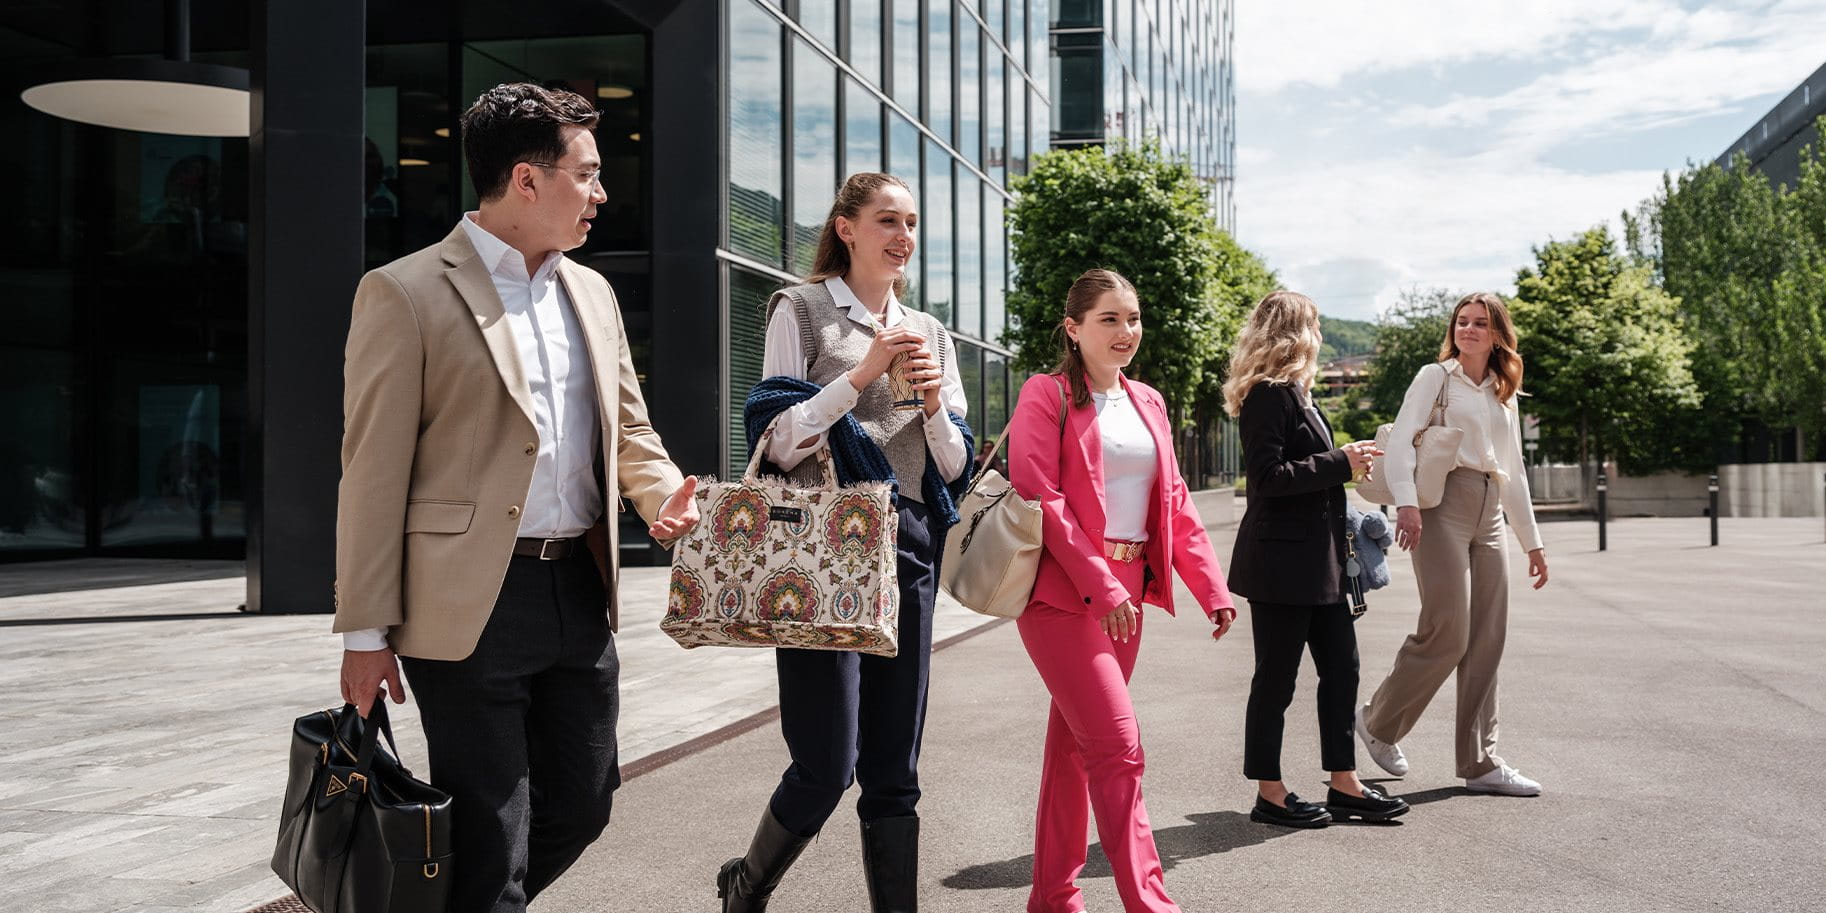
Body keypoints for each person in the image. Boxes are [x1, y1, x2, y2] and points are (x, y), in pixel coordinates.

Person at [333, 83, 700, 913]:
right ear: (527, 181)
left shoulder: (592, 293)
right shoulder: (405, 290)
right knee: (492, 830)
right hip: (467, 604)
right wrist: (365, 632)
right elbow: (372, 470)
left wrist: (661, 495)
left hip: (578, 585)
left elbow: (630, 428)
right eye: (588, 174)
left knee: (585, 798)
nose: (602, 194)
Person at [720, 172, 974, 913]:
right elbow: (777, 438)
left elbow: (951, 467)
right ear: (847, 228)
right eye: (887, 220)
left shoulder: (931, 331)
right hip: (824, 553)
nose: (903, 236)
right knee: (826, 763)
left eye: (912, 222)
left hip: (911, 544)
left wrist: (931, 404)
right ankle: (749, 881)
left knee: (895, 767)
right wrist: (859, 375)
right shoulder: (799, 311)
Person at [1006, 268, 1235, 913]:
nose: (1125, 332)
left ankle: (1052, 898)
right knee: (1118, 749)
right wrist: (1102, 585)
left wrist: (1209, 586)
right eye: (1109, 319)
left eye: (1132, 319)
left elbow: (1175, 499)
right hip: (1064, 597)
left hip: (1127, 600)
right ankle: (1151, 905)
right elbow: (1040, 496)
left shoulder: (1149, 401)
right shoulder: (1046, 395)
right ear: (1074, 328)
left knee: (1076, 750)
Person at [1221, 291, 1409, 828]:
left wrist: (1347, 462)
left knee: (1342, 671)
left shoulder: (1301, 396)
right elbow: (1267, 479)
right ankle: (1270, 792)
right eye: (1317, 325)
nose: (1322, 335)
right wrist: (1339, 461)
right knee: (1276, 680)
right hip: (1281, 567)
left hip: (1321, 562)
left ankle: (1343, 782)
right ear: (1298, 332)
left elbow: (1311, 469)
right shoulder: (1267, 395)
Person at [1357, 291, 1551, 796]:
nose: (1468, 330)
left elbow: (1515, 471)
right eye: (1462, 322)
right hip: (1441, 503)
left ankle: (1481, 763)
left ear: (1497, 334)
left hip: (1489, 507)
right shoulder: (1435, 377)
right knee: (1449, 629)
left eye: (1480, 323)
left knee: (1488, 636)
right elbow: (1400, 441)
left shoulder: (1500, 392)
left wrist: (1532, 542)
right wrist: (1406, 504)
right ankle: (1378, 722)